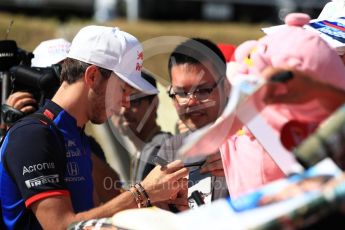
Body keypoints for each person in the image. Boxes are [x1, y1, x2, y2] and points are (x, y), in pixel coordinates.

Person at [0, 25, 188, 230]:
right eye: (122, 89)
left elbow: (99, 212)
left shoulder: (75, 133)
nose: (125, 102)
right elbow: (61, 226)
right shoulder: (33, 135)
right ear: (92, 77)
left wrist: (159, 201)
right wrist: (143, 192)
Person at [157, 38, 230, 207]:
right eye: (181, 93)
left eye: (203, 90)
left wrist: (239, 163)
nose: (191, 102)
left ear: (226, 86)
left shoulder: (253, 141)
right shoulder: (170, 151)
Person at [112, 70, 172, 183]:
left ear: (154, 103)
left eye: (133, 101)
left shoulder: (163, 148)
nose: (123, 110)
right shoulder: (141, 152)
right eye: (116, 103)